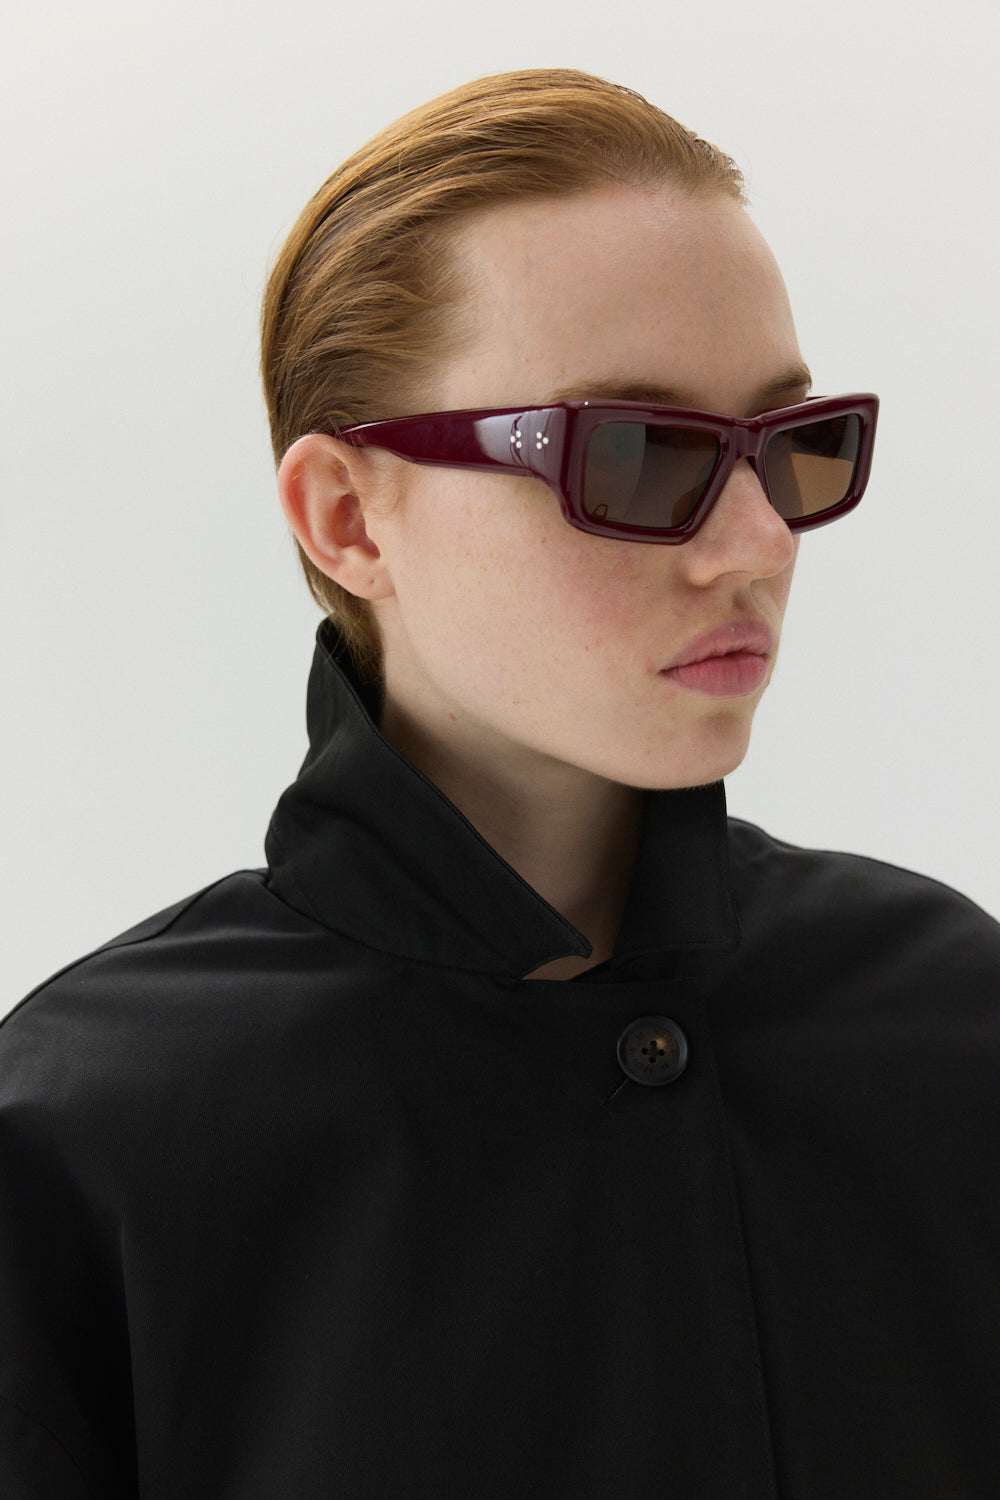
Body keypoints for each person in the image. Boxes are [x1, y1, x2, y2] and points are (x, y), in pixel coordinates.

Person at [1, 67, 998, 1500]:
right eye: (636, 455)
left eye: (794, 448)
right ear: (349, 518)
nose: (756, 545)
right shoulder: (91, 1140)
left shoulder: (953, 1020)